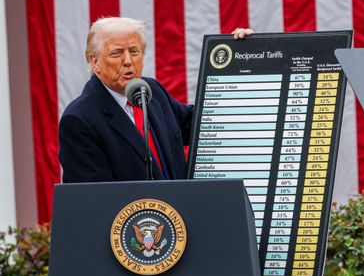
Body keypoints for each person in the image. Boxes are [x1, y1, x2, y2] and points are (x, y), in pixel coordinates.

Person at [59, 17, 253, 183]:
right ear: (95, 62)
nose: (128, 61)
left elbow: (199, 124)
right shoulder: (79, 120)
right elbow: (95, 199)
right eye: (117, 53)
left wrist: (238, 59)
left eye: (134, 52)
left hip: (181, 217)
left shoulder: (151, 91)